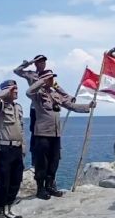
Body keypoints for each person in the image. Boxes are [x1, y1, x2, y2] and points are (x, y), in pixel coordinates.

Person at [26, 70, 95, 200]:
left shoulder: (55, 94)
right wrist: (41, 81)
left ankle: (50, 186)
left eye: (53, 78)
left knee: (54, 161)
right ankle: (41, 189)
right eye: (50, 78)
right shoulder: (38, 94)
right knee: (42, 163)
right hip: (42, 134)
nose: (53, 80)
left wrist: (88, 106)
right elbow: (28, 92)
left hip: (56, 134)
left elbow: (70, 105)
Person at [14, 55, 72, 164]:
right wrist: (30, 62)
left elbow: (57, 87)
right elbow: (17, 71)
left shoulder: (48, 76)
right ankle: (35, 160)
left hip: (47, 106)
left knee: (51, 133)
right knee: (35, 133)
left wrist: (68, 97)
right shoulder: (31, 74)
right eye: (40, 62)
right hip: (36, 107)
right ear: (36, 63)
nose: (43, 64)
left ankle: (53, 155)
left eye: (44, 62)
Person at [0, 80, 25, 218]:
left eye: (17, 89)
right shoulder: (0, 106)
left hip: (16, 148)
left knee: (16, 180)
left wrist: (23, 147)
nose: (16, 91)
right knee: (3, 182)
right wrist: (7, 91)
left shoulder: (18, 107)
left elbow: (21, 128)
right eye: (13, 90)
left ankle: (9, 208)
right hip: (4, 149)